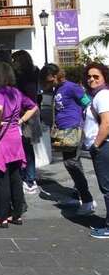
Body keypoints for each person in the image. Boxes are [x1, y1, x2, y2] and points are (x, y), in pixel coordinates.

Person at [0, 61, 38, 228]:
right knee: (15, 176)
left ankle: (2, 217)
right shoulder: (16, 92)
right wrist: (20, 120)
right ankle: (17, 214)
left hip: (2, 137)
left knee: (3, 178)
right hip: (15, 134)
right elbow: (33, 107)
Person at [41, 63, 96, 215]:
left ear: (56, 76)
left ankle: (87, 200)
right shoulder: (57, 89)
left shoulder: (72, 87)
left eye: (49, 80)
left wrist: (83, 123)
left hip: (73, 130)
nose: (48, 84)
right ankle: (79, 195)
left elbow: (88, 104)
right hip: (63, 131)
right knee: (72, 164)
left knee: (71, 163)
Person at [83, 63, 109, 239]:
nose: (91, 79)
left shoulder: (102, 96)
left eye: (96, 76)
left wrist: (96, 145)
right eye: (89, 76)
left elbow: (106, 123)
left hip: (104, 146)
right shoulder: (99, 95)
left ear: (104, 77)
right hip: (103, 145)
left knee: (107, 187)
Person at [12, 50, 41, 195]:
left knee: (26, 147)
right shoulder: (34, 72)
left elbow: (28, 96)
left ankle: (29, 179)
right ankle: (28, 176)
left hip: (26, 113)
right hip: (30, 112)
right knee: (26, 147)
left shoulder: (23, 77)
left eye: (14, 60)